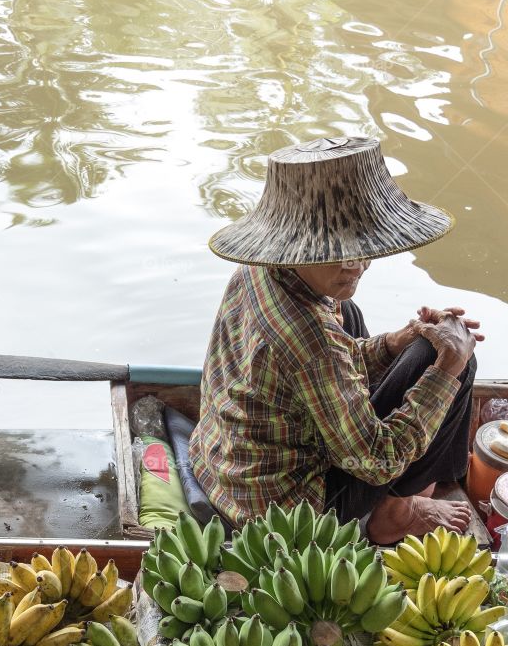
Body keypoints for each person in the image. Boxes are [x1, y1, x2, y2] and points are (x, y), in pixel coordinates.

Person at [189, 135, 483, 544]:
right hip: (288, 513)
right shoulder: (315, 345)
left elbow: (321, 362)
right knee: (457, 358)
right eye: (338, 252)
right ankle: (396, 513)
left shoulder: (256, 271)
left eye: (364, 249)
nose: (357, 265)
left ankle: (415, 474)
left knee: (354, 313)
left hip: (221, 460)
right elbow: (379, 461)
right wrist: (448, 365)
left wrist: (397, 341)